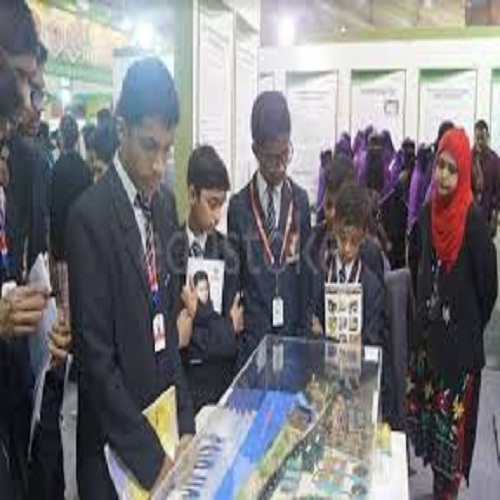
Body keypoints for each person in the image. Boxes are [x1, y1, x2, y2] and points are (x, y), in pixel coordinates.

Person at [66, 57, 195, 499]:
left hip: (162, 429)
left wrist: (185, 423)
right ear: (122, 130)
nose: (159, 165)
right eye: (149, 146)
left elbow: (168, 323)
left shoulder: (163, 206)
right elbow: (95, 361)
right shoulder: (89, 217)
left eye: (167, 149)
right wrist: (151, 459)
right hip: (115, 454)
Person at [1, 4, 70, 499]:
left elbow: (33, 260)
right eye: (21, 79)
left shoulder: (26, 164)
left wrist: (49, 318)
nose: (29, 101)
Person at [407, 128, 498, 499]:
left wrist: (467, 325)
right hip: (430, 345)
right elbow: (416, 265)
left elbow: (488, 289)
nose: (443, 175)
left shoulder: (473, 221)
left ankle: (448, 493)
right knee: (434, 431)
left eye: (452, 168)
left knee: (453, 438)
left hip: (458, 355)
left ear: (463, 173)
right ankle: (438, 488)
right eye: (440, 166)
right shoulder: (427, 215)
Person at [227, 91, 311, 367]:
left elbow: (306, 278)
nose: (281, 165)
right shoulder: (239, 207)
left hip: (293, 342)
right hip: (254, 346)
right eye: (272, 157)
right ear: (256, 151)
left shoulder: (300, 201)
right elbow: (236, 281)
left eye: (285, 153)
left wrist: (304, 339)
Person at [171, 145, 243, 413]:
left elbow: (231, 343)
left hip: (217, 387)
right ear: (192, 194)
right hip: (179, 387)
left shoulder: (229, 253)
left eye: (221, 205)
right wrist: (223, 327)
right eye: (211, 204)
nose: (217, 215)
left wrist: (197, 323)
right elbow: (174, 337)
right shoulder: (169, 248)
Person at [50, 114, 92, 262]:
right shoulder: (85, 168)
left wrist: (54, 250)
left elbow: (54, 209)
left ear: (61, 136)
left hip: (62, 243)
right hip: (82, 242)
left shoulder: (57, 168)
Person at [472, 119, 500, 236]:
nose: (479, 141)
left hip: (487, 217)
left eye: (482, 138)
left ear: (488, 137)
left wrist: (494, 216)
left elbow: (498, 191)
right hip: (470, 216)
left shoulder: (495, 160)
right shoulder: (469, 158)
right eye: (477, 138)